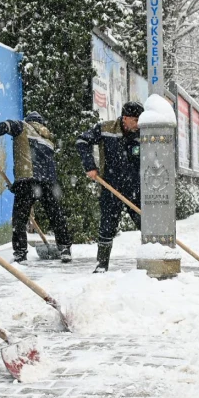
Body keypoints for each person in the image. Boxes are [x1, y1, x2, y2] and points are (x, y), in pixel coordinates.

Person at [0, 111, 73, 263]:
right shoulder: (48, 138)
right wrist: (18, 185)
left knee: (19, 220)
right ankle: (65, 248)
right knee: (56, 216)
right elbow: (42, 166)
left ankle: (20, 253)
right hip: (49, 182)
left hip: (28, 181)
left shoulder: (22, 126)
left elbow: (5, 125)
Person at [76, 101, 143, 273]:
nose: (138, 124)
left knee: (145, 223)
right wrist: (90, 166)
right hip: (111, 185)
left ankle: (153, 258)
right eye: (135, 120)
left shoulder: (144, 132)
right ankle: (102, 264)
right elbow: (82, 141)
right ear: (125, 118)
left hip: (135, 188)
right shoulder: (106, 129)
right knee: (107, 225)